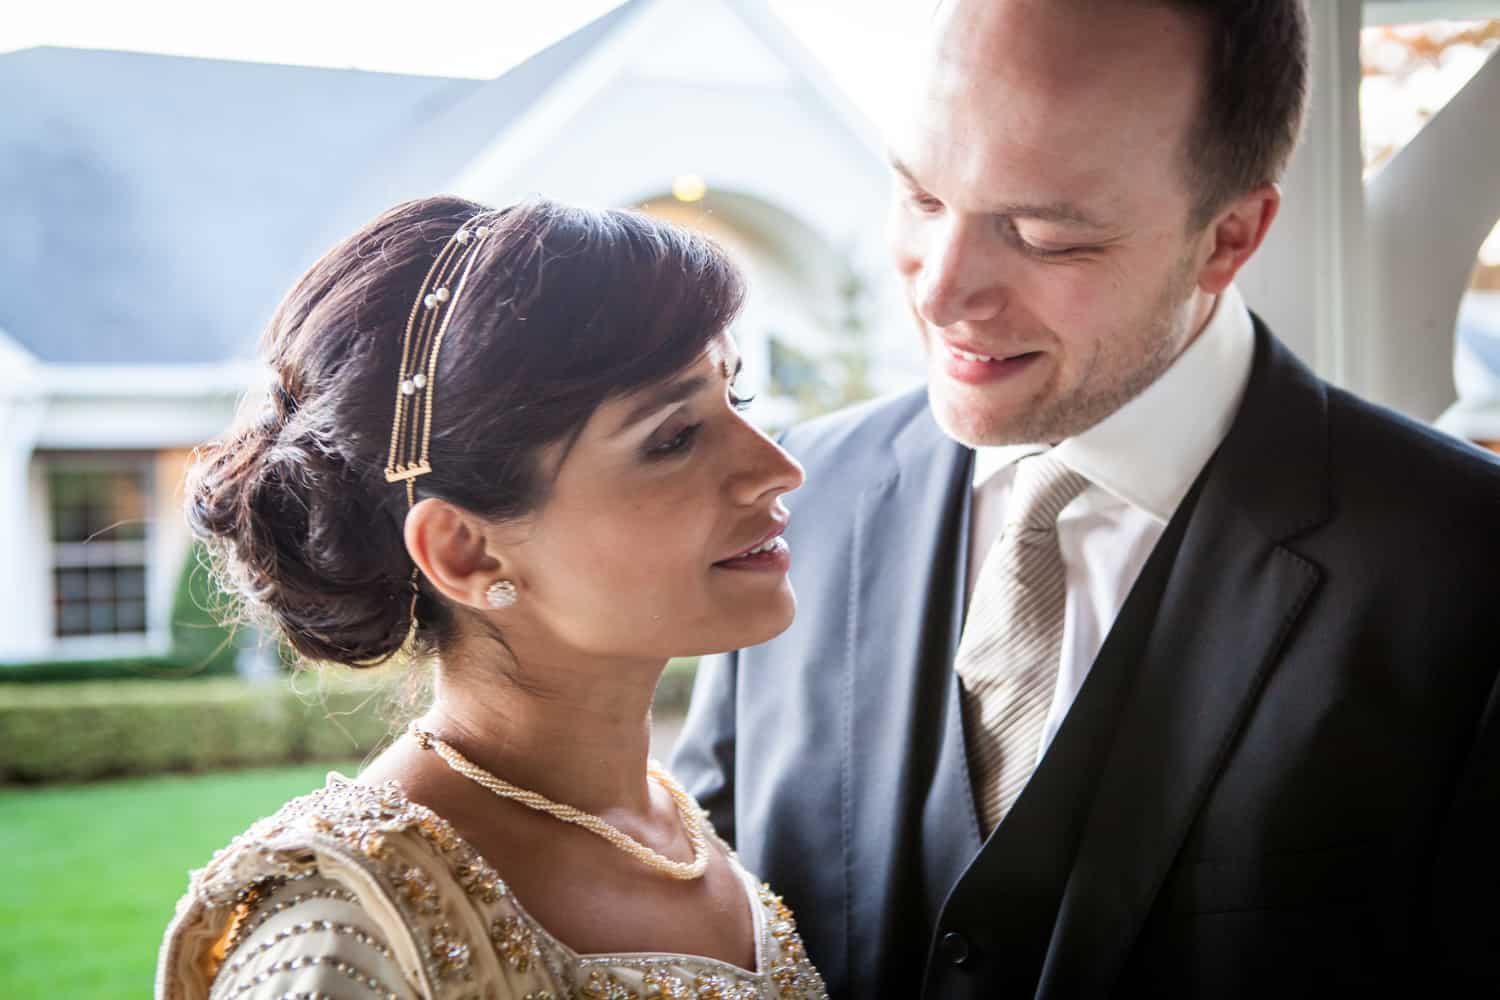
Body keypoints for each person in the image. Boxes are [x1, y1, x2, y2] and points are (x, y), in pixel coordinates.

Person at [672, 1, 1500, 996]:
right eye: (922, 197)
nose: (941, 291)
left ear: (1229, 237)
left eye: (1042, 236)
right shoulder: (797, 497)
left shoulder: (1467, 570)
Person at [156, 196, 827, 1000]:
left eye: (736, 400)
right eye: (673, 437)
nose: (777, 469)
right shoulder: (345, 929)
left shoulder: (669, 822)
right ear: (465, 551)